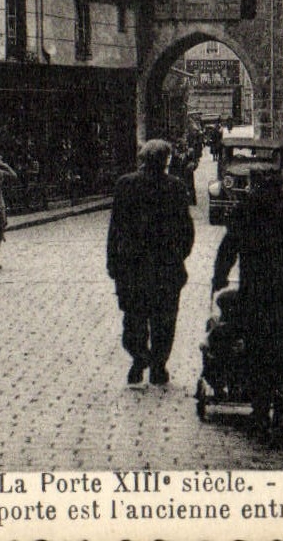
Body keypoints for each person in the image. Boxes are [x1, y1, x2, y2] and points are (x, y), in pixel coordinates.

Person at [211, 169, 283, 448]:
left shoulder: (245, 211)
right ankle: (280, 424)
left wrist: (219, 277)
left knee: (257, 354)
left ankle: (258, 418)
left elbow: (227, 249)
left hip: (255, 295)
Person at [106, 138, 194, 387]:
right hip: (166, 267)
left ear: (143, 159)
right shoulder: (175, 187)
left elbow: (115, 228)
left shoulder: (125, 185)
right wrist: (178, 256)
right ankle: (158, 366)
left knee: (133, 318)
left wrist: (113, 261)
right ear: (166, 160)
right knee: (164, 320)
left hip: (132, 267)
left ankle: (139, 358)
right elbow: (187, 229)